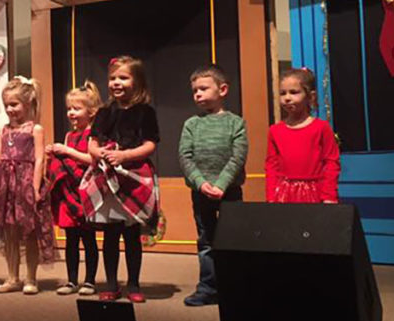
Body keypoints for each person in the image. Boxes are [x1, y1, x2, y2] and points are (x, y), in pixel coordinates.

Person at [83, 55, 160, 303]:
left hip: (134, 177)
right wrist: (98, 152)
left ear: (137, 82)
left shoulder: (145, 112)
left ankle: (134, 284)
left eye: (123, 78)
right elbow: (92, 142)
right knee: (110, 235)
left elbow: (150, 144)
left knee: (131, 235)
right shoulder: (105, 112)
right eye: (113, 78)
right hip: (109, 178)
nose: (116, 83)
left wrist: (125, 155)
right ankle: (112, 284)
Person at [177, 64, 247, 306]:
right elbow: (185, 157)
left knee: (233, 239)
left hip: (230, 192)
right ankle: (208, 287)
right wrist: (201, 184)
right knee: (206, 241)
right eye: (195, 90)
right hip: (202, 193)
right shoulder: (191, 125)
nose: (198, 94)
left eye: (204, 89)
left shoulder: (235, 123)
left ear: (223, 89)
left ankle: (235, 286)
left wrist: (222, 185)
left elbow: (238, 157)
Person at [0, 76, 55, 295]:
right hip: (5, 185)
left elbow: (39, 159)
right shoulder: (3, 130)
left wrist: (34, 187)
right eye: (6, 105)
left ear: (27, 104)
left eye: (14, 104)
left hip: (26, 182)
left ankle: (31, 278)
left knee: (30, 231)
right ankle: (12, 277)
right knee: (10, 232)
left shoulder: (35, 129)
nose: (9, 109)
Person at [46, 81, 101, 296]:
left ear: (91, 111)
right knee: (70, 240)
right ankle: (71, 280)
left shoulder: (92, 135)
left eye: (76, 109)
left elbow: (91, 159)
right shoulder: (70, 135)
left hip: (84, 192)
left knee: (88, 240)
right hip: (68, 194)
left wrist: (66, 151)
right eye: (69, 108)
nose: (71, 113)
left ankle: (90, 280)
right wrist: (56, 152)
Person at [266, 67, 340, 204]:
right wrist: (271, 196)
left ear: (310, 96)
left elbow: (331, 163)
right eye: (283, 93)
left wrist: (329, 196)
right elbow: (271, 166)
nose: (287, 98)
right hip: (284, 195)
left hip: (314, 194)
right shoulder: (275, 131)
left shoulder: (321, 128)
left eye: (294, 92)